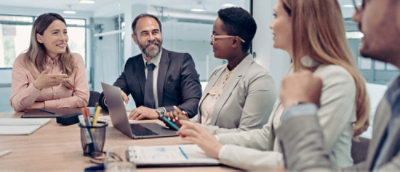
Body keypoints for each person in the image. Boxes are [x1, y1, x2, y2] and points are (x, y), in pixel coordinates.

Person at [176, 0, 370, 170]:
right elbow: (267, 136)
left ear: (300, 21)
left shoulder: (336, 79)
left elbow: (296, 163)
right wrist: (209, 138)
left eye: (276, 16)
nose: (271, 25)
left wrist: (221, 150)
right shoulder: (296, 71)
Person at [277, 0, 400, 171]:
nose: (356, 16)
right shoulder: (394, 96)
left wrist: (299, 109)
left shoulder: (336, 77)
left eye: (365, 4)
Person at [165, 7, 276, 134]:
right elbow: (204, 120)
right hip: (201, 146)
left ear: (235, 41)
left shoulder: (259, 79)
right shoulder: (217, 72)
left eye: (215, 36)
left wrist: (194, 127)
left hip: (229, 152)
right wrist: (184, 121)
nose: (211, 42)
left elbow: (248, 135)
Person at [98, 14, 202, 119]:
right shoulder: (132, 65)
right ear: (135, 38)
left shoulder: (181, 61)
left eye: (155, 32)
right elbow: (107, 95)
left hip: (173, 128)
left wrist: (158, 112)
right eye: (145, 34)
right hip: (143, 128)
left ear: (161, 34)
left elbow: (194, 103)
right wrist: (112, 98)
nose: (151, 38)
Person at [10, 13, 89, 112]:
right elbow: (17, 105)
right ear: (39, 38)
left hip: (66, 120)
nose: (63, 38)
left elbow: (82, 99)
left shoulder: (76, 59)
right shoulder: (22, 61)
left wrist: (42, 105)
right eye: (55, 33)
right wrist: (37, 86)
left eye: (65, 32)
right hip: (32, 121)